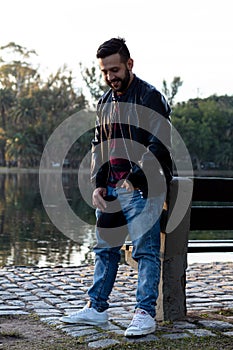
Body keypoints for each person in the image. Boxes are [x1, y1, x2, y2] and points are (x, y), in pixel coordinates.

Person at [60, 37, 173, 337]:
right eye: (105, 71)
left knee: (145, 252)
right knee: (105, 250)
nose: (111, 76)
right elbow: (99, 144)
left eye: (115, 69)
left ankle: (144, 313)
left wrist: (135, 177)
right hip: (111, 190)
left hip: (141, 188)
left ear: (129, 64)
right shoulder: (104, 103)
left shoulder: (150, 97)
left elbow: (159, 145)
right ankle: (97, 308)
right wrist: (98, 184)